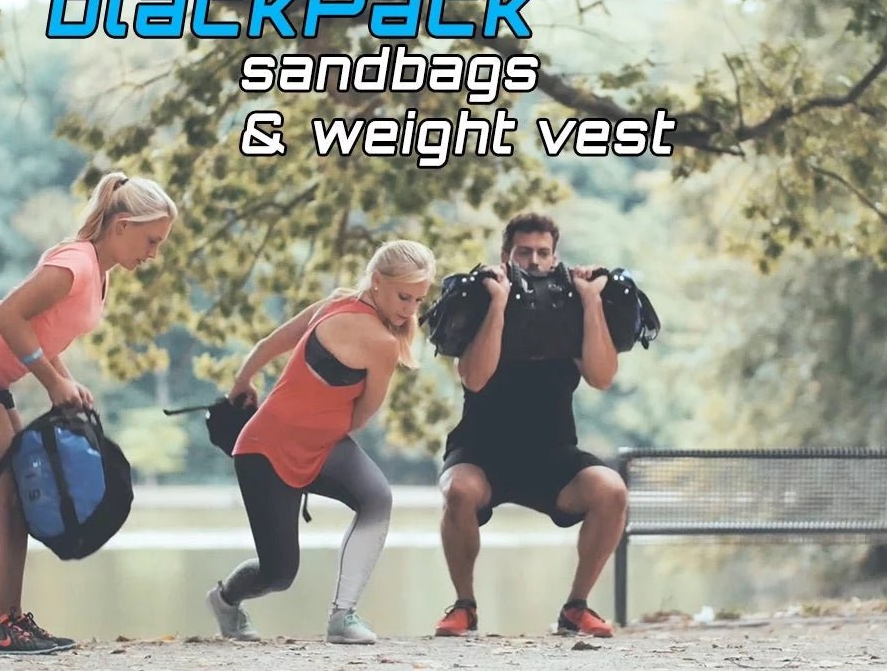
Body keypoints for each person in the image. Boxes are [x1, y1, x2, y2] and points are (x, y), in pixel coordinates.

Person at [0, 172, 177, 655]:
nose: (153, 253)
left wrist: (65, 378)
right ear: (121, 226)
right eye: (151, 240)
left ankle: (10, 620)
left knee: (18, 492)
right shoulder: (75, 264)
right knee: (3, 490)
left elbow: (42, 330)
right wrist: (53, 382)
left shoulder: (98, 275)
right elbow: (7, 316)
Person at [207, 240, 436, 645]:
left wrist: (242, 383)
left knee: (377, 497)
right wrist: (249, 389)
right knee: (278, 574)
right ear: (377, 281)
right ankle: (226, 600)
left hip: (323, 446)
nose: (410, 309)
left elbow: (264, 349)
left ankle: (342, 616)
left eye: (419, 299)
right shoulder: (368, 332)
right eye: (404, 296)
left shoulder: (345, 309)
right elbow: (363, 414)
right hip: (265, 451)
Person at [434, 213, 627, 639]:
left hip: (552, 456)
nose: (535, 261)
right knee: (458, 491)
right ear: (507, 256)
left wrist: (592, 301)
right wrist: (500, 304)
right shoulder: (483, 301)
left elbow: (601, 376)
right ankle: (465, 607)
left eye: (543, 253)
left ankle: (576, 608)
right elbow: (475, 377)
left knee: (612, 490)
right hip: (482, 452)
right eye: (525, 252)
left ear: (555, 257)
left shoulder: (571, 307)